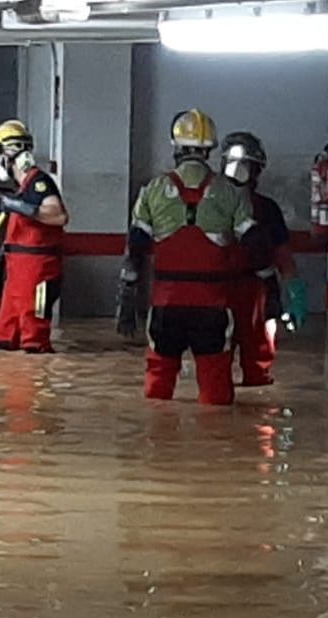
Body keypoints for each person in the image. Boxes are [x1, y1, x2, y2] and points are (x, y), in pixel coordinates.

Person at [116, 108, 266, 405]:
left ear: (176, 147)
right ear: (210, 150)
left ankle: (158, 445)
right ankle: (214, 446)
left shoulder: (153, 191)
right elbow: (256, 247)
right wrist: (271, 289)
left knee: (158, 386)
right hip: (212, 306)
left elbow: (136, 249)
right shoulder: (231, 193)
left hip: (166, 304)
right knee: (216, 387)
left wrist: (127, 297)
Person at [219, 131, 302, 387]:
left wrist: (294, 292)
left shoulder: (264, 209)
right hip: (228, 289)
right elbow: (284, 258)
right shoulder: (212, 204)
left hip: (251, 291)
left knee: (222, 368)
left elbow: (283, 256)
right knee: (222, 366)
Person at [0, 120, 68, 353]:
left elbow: (58, 215)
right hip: (17, 272)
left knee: (34, 341)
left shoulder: (39, 183)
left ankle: (32, 387)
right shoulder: (23, 188)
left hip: (37, 270)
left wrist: (19, 206)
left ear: (8, 154)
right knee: (4, 338)